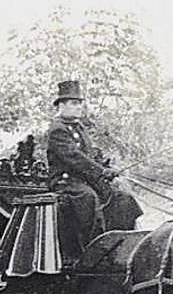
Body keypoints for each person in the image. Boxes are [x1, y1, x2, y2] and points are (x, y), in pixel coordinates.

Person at [46, 80, 142, 262]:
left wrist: (106, 170)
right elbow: (74, 158)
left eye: (79, 103)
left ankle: (122, 245)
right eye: (74, 103)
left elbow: (88, 155)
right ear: (61, 105)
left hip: (84, 180)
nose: (78, 107)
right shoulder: (57, 130)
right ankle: (92, 253)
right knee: (88, 199)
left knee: (122, 197)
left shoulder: (78, 127)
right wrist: (99, 172)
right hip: (66, 182)